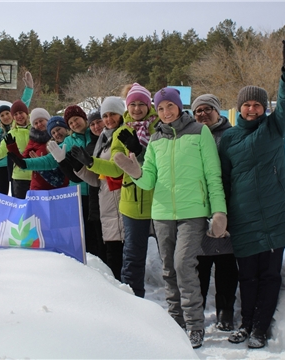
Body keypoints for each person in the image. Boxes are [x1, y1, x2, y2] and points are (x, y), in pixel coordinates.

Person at [114, 87, 227, 349]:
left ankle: (195, 325)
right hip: (162, 213)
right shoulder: (155, 140)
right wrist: (136, 172)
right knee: (168, 269)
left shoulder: (200, 133)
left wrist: (218, 211)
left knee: (182, 265)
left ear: (178, 106)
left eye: (170, 106)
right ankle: (176, 321)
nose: (166, 112)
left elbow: (213, 175)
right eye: (161, 108)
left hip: (193, 212)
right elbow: (149, 181)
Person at [220, 32, 285, 349]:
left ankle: (260, 328)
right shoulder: (228, 139)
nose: (253, 108)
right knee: (248, 275)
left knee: (270, 275)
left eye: (258, 104)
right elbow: (224, 179)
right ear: (239, 108)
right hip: (243, 216)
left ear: (264, 107)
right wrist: (224, 214)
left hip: (274, 213)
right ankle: (245, 324)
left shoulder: (275, 127)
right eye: (247, 104)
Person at [87, 83, 159, 298]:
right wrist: (90, 163)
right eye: (132, 104)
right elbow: (115, 169)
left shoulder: (160, 128)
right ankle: (133, 302)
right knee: (132, 257)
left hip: (160, 200)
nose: (136, 108)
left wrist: (140, 151)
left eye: (141, 104)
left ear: (148, 105)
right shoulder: (122, 132)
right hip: (131, 202)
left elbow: (162, 163)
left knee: (170, 256)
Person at [12, 105, 103, 258]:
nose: (74, 124)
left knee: (101, 233)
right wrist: (25, 164)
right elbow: (49, 160)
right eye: (71, 122)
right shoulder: (69, 141)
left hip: (100, 191)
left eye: (76, 120)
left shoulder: (95, 134)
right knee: (85, 233)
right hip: (78, 193)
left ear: (84, 119)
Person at [191, 93, 238, 332]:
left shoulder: (231, 136)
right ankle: (196, 312)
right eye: (198, 110)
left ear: (218, 112)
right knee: (199, 262)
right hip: (199, 206)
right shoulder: (192, 136)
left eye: (207, 109)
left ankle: (225, 311)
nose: (202, 114)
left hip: (227, 204)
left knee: (226, 263)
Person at [69, 97, 126, 280]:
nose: (107, 120)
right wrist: (78, 167)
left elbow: (116, 170)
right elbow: (96, 180)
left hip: (121, 200)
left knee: (119, 255)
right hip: (106, 202)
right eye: (105, 116)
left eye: (111, 115)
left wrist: (91, 162)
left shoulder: (123, 135)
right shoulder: (103, 140)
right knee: (110, 254)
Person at [9, 109, 69, 191]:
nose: (39, 124)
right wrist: (13, 148)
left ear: (47, 120)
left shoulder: (59, 139)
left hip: (59, 187)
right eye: (36, 123)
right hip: (38, 186)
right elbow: (22, 161)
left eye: (41, 121)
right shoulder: (33, 140)